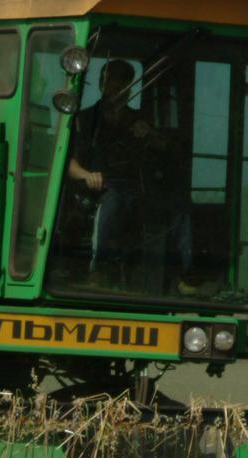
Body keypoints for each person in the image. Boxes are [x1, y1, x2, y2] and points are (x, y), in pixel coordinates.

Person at [65, 60, 194, 290]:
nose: (115, 93)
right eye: (111, 87)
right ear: (101, 85)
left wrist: (151, 136)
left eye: (121, 88)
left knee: (178, 207)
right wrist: (87, 175)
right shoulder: (84, 120)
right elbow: (69, 164)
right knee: (113, 203)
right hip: (102, 189)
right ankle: (98, 270)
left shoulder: (139, 120)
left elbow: (168, 150)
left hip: (140, 191)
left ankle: (183, 275)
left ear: (130, 89)